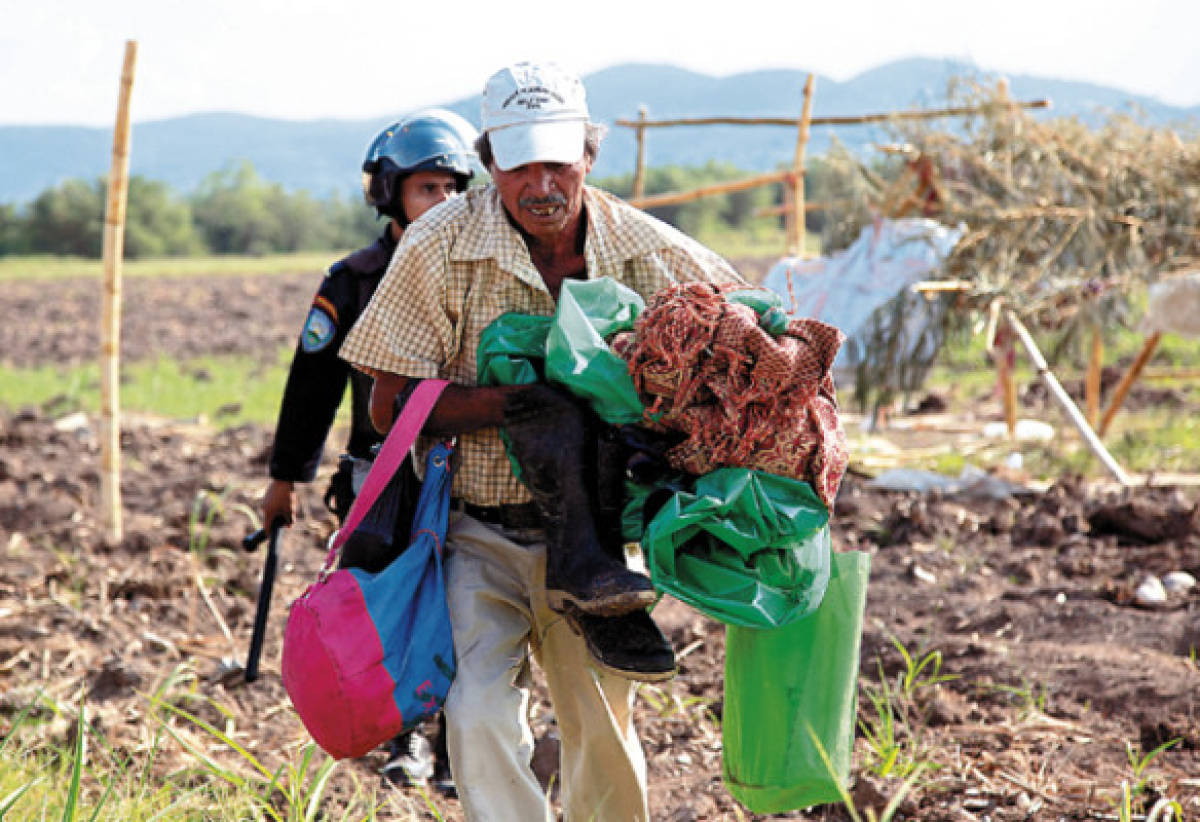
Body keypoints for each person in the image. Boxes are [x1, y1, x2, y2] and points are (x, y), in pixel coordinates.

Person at [338, 61, 745, 821]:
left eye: (558, 161)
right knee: (478, 714)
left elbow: (741, 344)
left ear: (590, 154)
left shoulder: (651, 254)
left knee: (601, 731)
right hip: (475, 528)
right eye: (520, 163)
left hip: (598, 540)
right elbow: (387, 404)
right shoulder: (438, 247)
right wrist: (518, 404)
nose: (542, 184)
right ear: (490, 162)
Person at [261, 108, 478, 793]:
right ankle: (403, 737)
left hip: (466, 468)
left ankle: (460, 749)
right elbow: (311, 384)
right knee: (386, 606)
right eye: (424, 190)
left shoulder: (481, 270)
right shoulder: (353, 281)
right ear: (388, 194)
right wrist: (285, 478)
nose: (441, 203)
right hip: (379, 473)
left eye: (451, 189)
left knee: (466, 603)